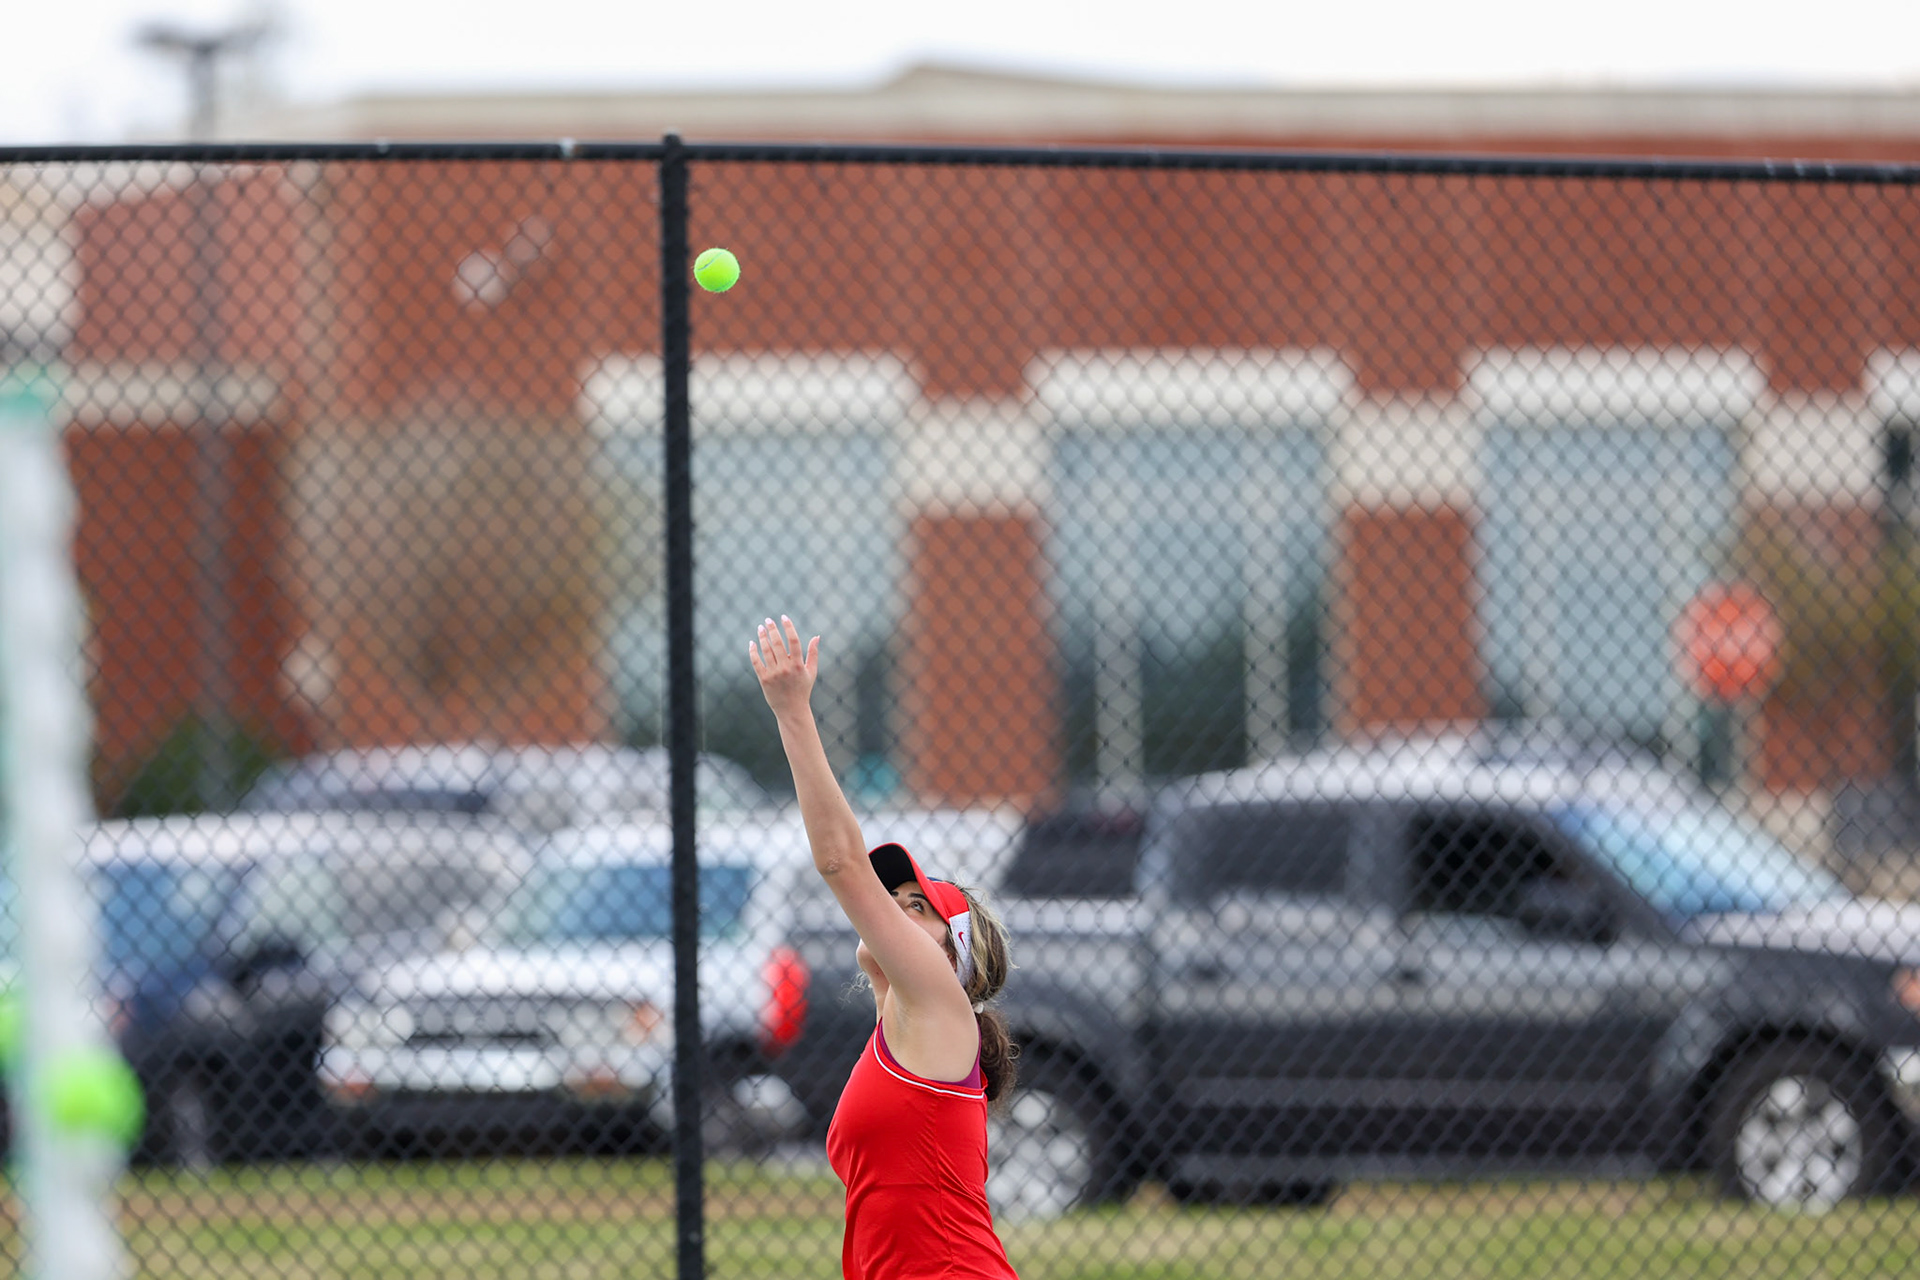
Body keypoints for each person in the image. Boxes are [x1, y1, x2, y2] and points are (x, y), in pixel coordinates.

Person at [751, 615, 1019, 1280]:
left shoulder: (939, 1002)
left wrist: (792, 713)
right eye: (896, 899)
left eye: (920, 907)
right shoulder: (901, 1029)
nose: (898, 907)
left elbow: (842, 862)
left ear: (956, 961)